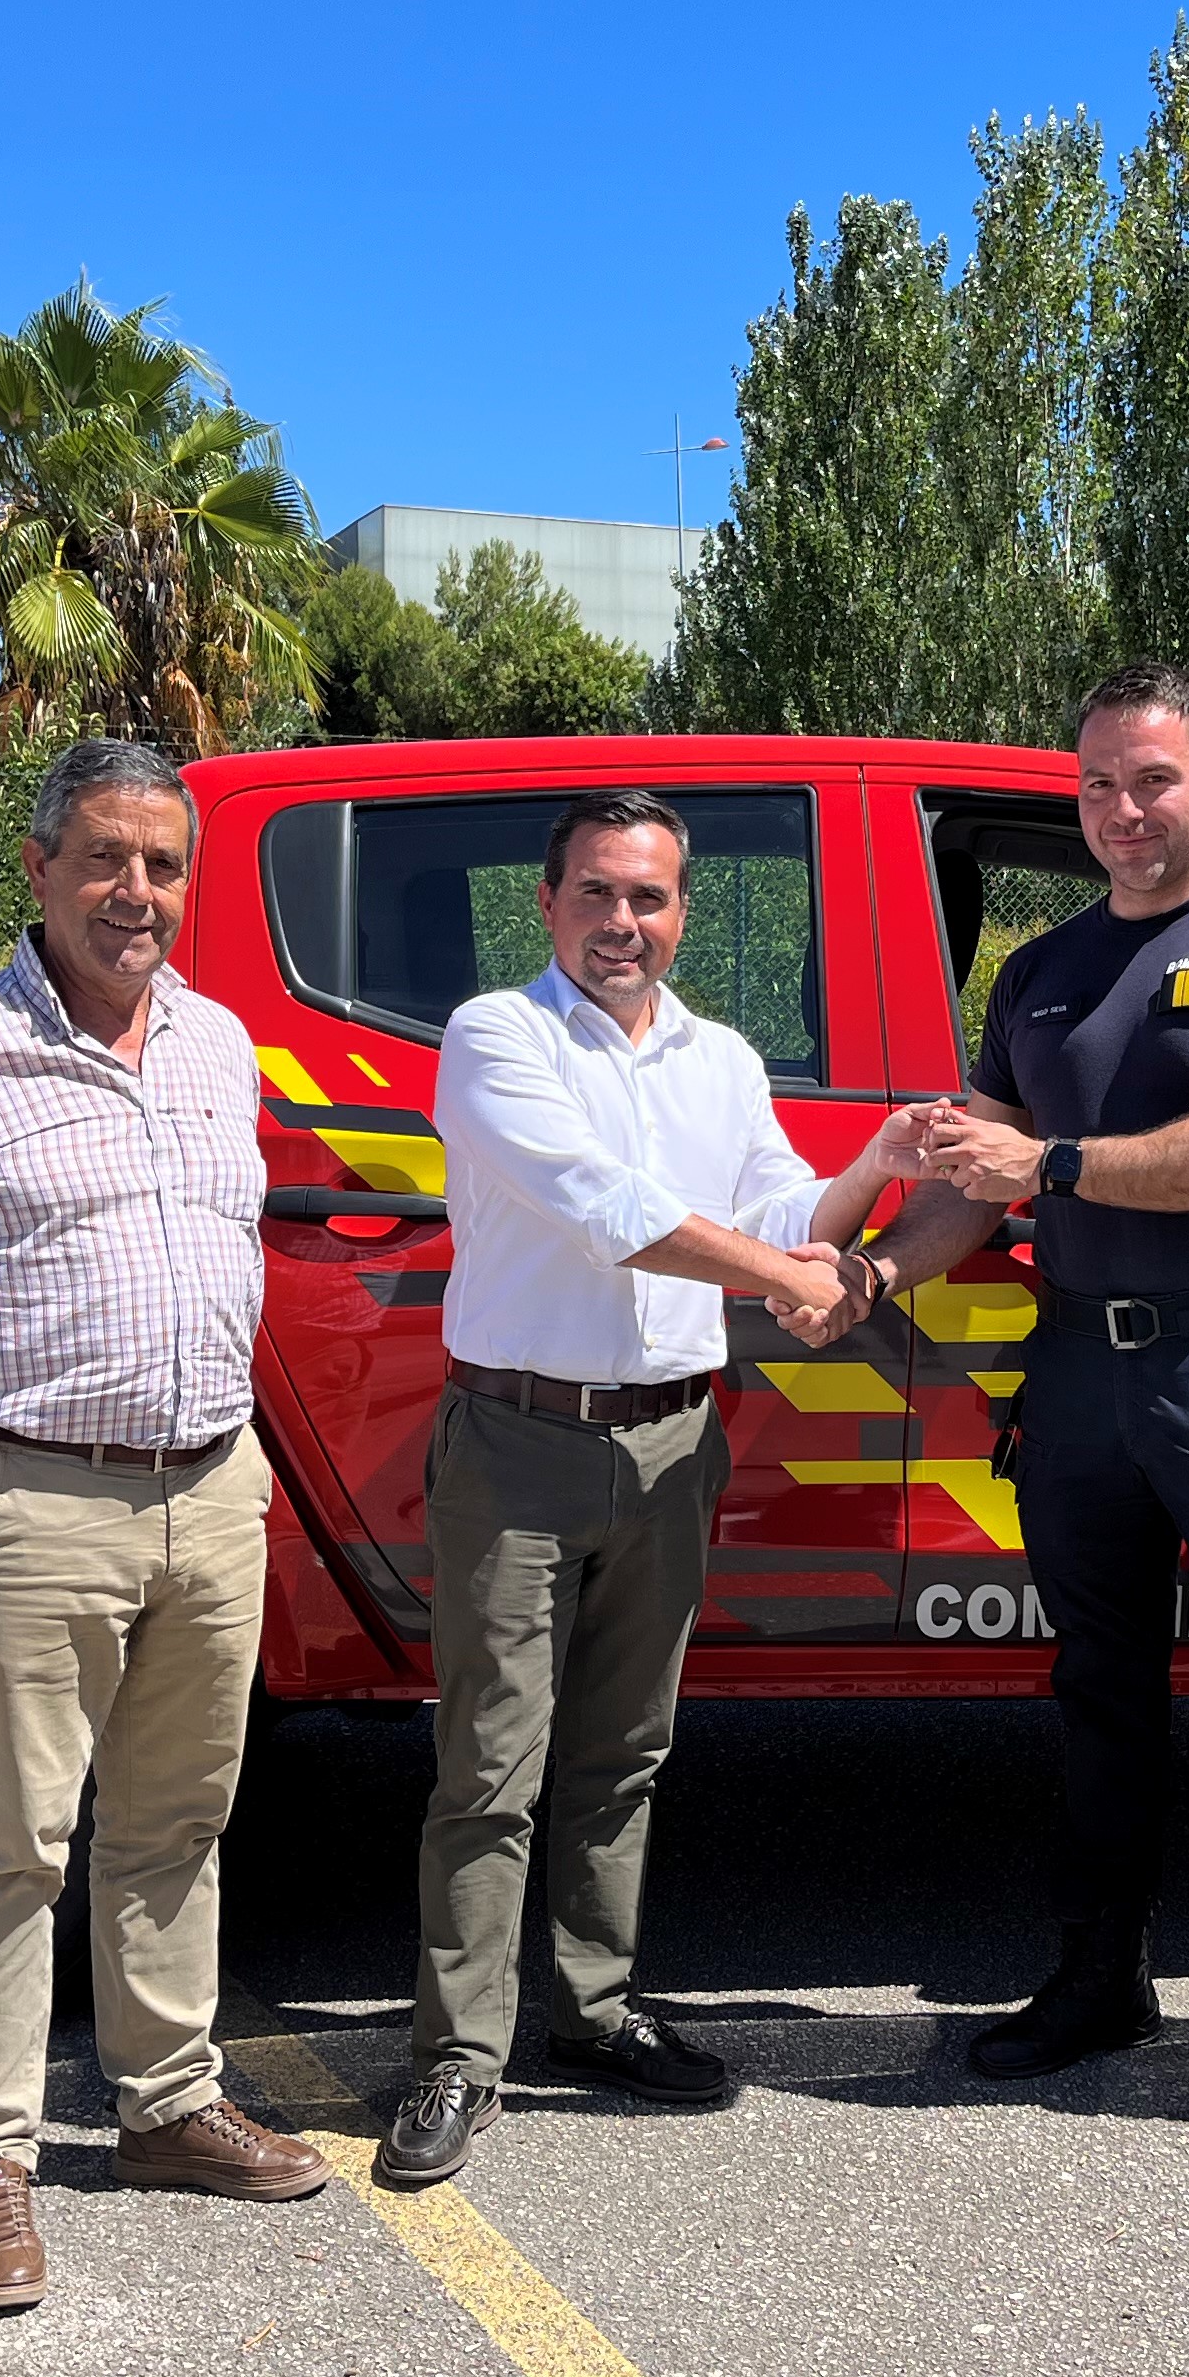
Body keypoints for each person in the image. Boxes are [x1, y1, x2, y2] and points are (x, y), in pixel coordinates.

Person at [0, 734, 330, 2315]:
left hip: (209, 1487)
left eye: (163, 864)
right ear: (36, 871)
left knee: (177, 1824)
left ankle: (167, 2107)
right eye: (104, 858)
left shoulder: (222, 1048)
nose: (136, 891)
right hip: (25, 1496)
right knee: (7, 1847)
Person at [859, 661, 1189, 2168]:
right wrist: (876, 1268)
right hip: (1077, 1367)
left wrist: (1056, 1169)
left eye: (1153, 780)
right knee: (1100, 1694)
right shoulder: (1042, 969)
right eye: (1096, 785)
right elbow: (976, 1177)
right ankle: (1100, 1978)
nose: (1124, 812)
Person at [377, 790, 914, 2189]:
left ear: (682, 910)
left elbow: (784, 1212)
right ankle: (459, 2057)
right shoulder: (497, 1037)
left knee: (625, 1753)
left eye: (653, 898)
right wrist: (795, 1281)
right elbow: (605, 1208)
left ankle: (598, 2015)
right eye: (601, 895)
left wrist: (876, 1170)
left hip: (674, 1440)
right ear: (549, 907)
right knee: (490, 1764)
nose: (627, 923)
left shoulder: (720, 1060)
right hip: (517, 1445)